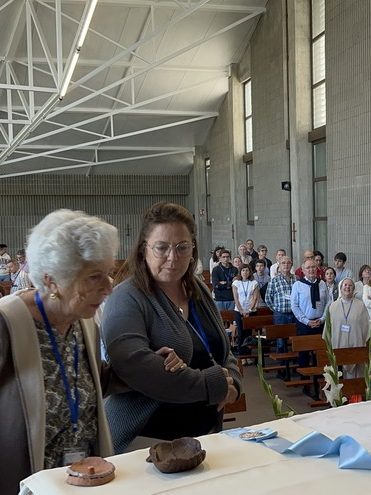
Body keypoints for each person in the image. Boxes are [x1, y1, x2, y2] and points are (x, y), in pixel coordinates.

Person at [0, 210, 182, 494]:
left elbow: (89, 380)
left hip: (84, 475)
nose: (109, 287)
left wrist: (148, 364)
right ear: (51, 280)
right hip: (29, 481)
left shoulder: (84, 320)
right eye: (94, 277)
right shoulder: (7, 323)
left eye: (108, 273)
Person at [102, 202, 242, 453]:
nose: (172, 257)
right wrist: (214, 385)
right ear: (144, 249)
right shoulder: (126, 298)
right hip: (144, 442)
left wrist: (233, 385)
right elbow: (138, 368)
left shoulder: (198, 290)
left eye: (182, 247)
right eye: (162, 247)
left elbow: (224, 351)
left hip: (203, 436)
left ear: (193, 249)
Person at [325, 278, 370, 378]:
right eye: (345, 285)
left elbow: (366, 326)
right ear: (340, 288)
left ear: (353, 289)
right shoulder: (333, 306)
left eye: (350, 285)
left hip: (356, 345)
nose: (347, 287)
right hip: (338, 346)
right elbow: (328, 329)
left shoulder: (360, 305)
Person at [291, 258, 329, 367]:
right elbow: (294, 305)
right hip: (304, 324)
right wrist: (306, 321)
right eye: (308, 268)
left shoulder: (322, 283)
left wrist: (322, 319)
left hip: (320, 323)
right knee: (304, 353)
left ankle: (321, 373)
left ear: (317, 269)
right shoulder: (298, 285)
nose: (311, 270)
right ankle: (304, 374)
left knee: (321, 351)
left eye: (313, 267)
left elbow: (328, 302)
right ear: (303, 270)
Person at [265, 256, 296, 353]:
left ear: (291, 265)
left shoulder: (296, 279)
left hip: (295, 314)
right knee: (280, 341)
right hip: (280, 314)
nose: (286, 265)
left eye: (288, 263)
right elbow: (268, 297)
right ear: (279, 265)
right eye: (283, 263)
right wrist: (275, 309)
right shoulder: (274, 280)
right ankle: (282, 360)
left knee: (295, 339)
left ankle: (295, 359)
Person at [232, 264, 260, 353]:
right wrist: (241, 311)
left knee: (248, 333)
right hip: (239, 310)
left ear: (250, 272)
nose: (245, 272)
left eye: (247, 270)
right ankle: (242, 354)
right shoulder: (236, 283)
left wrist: (249, 310)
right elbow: (236, 298)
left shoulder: (254, 283)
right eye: (243, 270)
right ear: (240, 272)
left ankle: (248, 354)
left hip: (251, 311)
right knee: (241, 333)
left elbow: (255, 298)